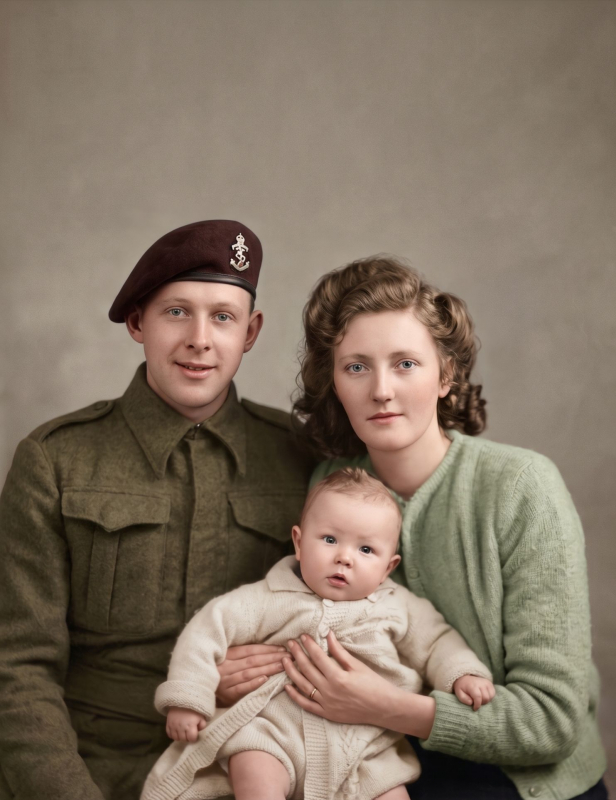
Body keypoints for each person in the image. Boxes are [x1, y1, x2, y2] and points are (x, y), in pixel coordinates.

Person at [267, 255, 607, 800]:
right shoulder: (329, 484)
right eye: (356, 367)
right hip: (383, 767)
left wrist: (386, 706)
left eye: (405, 363)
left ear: (446, 375)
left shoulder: (522, 487)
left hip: (521, 781)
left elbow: (552, 721)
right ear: (333, 382)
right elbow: (308, 627)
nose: (381, 390)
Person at [0, 220, 314, 800]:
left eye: (223, 317)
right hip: (95, 769)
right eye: (176, 312)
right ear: (138, 322)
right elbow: (17, 669)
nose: (200, 339)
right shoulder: (55, 460)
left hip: (255, 765)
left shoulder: (299, 458)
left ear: (250, 332)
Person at [141, 467, 495, 800]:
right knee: (252, 767)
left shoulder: (398, 606)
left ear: (388, 567)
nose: (344, 558)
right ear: (298, 542)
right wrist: (188, 698)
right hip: (273, 732)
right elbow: (205, 633)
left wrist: (463, 673)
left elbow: (436, 642)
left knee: (390, 790)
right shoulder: (267, 597)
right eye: (329, 539)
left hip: (364, 746)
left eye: (366, 549)